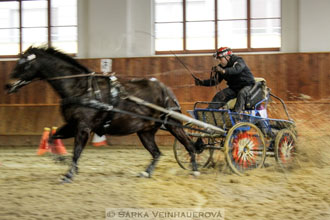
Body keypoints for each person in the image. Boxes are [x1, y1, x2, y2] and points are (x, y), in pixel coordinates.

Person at [194, 47, 255, 112]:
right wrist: (202, 82)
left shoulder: (238, 60)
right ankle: (208, 112)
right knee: (220, 95)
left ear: (227, 57)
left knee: (242, 93)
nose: (219, 61)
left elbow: (237, 69)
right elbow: (215, 81)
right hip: (234, 88)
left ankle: (237, 114)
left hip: (248, 86)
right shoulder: (221, 67)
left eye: (220, 59)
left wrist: (223, 71)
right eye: (218, 59)